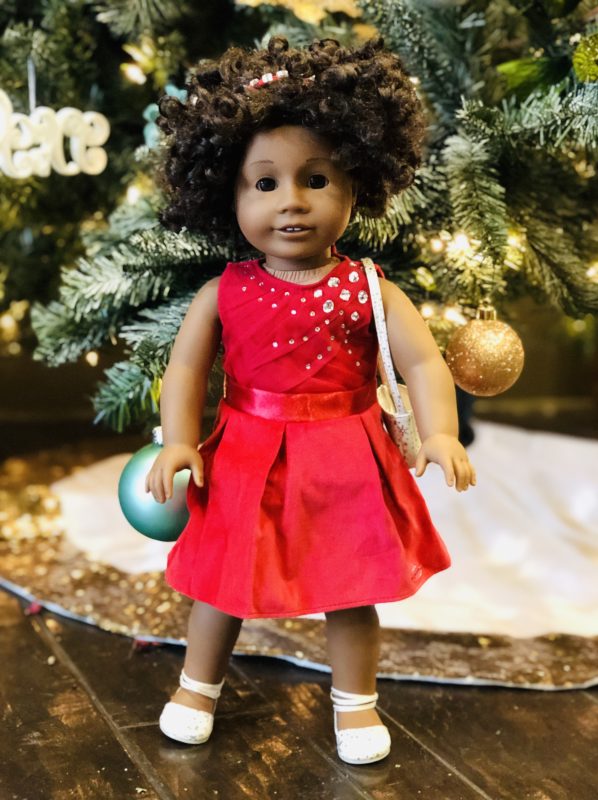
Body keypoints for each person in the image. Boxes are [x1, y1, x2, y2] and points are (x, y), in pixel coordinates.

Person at [145, 34, 476, 766]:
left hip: (346, 458)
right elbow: (186, 371)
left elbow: (422, 359)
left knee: (351, 586)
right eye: (264, 184)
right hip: (246, 453)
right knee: (224, 584)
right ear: (227, 194)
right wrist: (180, 440)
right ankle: (197, 688)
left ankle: (356, 703)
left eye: (317, 179)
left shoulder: (369, 287)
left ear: (357, 185)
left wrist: (440, 433)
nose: (291, 201)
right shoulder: (223, 292)